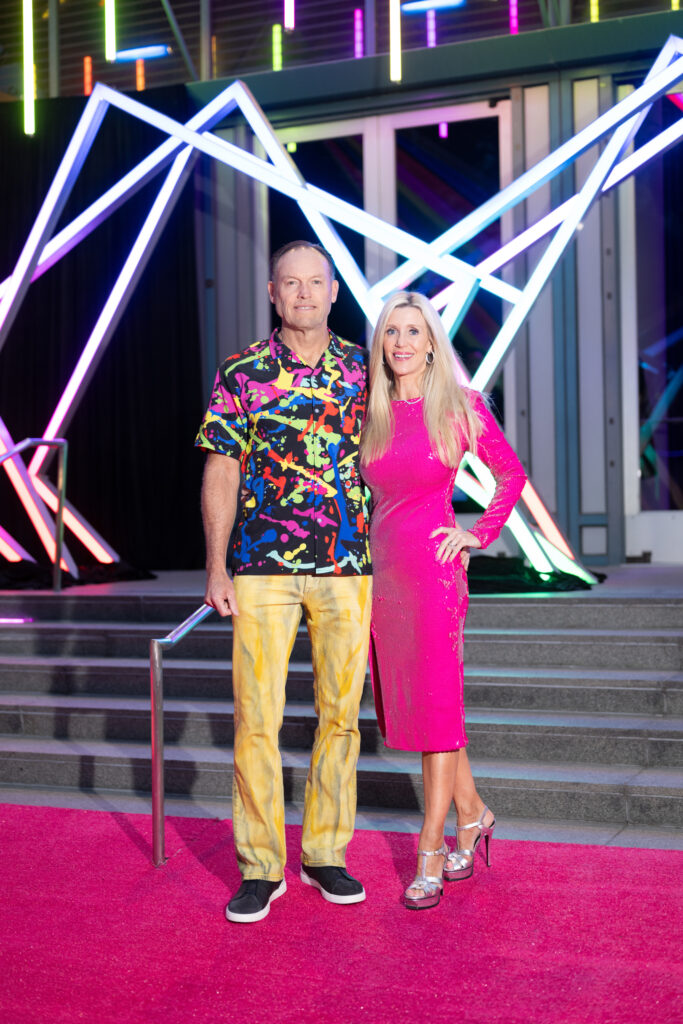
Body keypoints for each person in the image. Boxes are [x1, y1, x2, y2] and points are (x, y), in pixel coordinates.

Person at [196, 241, 372, 923]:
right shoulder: (242, 371)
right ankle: (260, 866)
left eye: (315, 283)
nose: (303, 295)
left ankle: (326, 852)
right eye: (290, 284)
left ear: (333, 292)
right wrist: (217, 564)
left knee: (340, 718)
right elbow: (220, 468)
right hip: (262, 569)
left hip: (348, 568)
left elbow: (400, 452)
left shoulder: (364, 369)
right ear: (273, 293)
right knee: (256, 722)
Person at [360, 291, 526, 910]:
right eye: (391, 333)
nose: (401, 342)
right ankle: (475, 813)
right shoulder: (369, 413)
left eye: (413, 331)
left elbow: (510, 475)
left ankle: (431, 848)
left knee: (435, 714)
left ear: (432, 343)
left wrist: (476, 534)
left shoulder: (460, 407)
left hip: (434, 577)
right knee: (429, 712)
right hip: (385, 581)